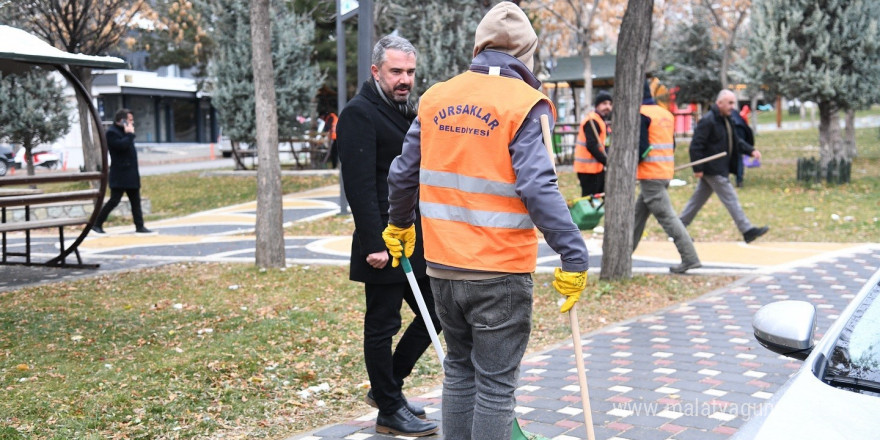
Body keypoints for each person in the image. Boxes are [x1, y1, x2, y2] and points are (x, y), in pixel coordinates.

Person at [382, 3, 589, 439]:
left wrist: (399, 224)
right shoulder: (524, 103)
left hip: (442, 266)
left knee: (458, 372)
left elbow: (403, 173)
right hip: (499, 271)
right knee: (495, 386)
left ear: (478, 47)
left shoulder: (437, 96)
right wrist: (573, 254)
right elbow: (538, 188)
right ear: (527, 54)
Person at [335, 35, 441, 437]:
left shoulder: (402, 110)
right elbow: (359, 187)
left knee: (436, 311)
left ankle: (387, 389)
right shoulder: (360, 113)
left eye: (410, 72)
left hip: (410, 237)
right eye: (396, 71)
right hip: (382, 239)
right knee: (382, 323)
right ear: (376, 71)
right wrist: (374, 245)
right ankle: (389, 408)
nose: (405, 79)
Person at [679, 90, 769, 244]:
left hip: (720, 167)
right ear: (719, 103)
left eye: (733, 103)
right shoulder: (708, 121)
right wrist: (698, 168)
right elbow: (696, 146)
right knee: (730, 198)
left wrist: (751, 150)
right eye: (730, 103)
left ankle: (678, 229)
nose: (732, 107)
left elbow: (736, 140)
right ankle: (747, 230)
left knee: (696, 201)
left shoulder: (727, 120)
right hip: (712, 169)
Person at [632, 82, 701, 274]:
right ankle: (624, 253)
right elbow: (673, 144)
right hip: (664, 172)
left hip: (650, 174)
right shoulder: (664, 114)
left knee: (668, 218)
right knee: (637, 217)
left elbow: (642, 147)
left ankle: (690, 258)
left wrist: (629, 167)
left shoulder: (640, 113)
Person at [91, 109, 152, 235]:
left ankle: (140, 226)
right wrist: (129, 134)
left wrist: (129, 134)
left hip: (131, 174)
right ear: (122, 120)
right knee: (114, 200)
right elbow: (121, 146)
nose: (132, 123)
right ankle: (97, 224)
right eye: (129, 120)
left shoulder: (125, 132)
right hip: (120, 174)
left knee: (135, 200)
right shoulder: (112, 132)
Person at [574, 91, 612, 196]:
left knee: (600, 198)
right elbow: (591, 145)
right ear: (597, 105)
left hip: (596, 168)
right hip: (587, 169)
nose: (608, 107)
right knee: (589, 202)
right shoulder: (592, 121)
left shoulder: (600, 121)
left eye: (609, 104)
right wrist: (607, 161)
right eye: (604, 103)